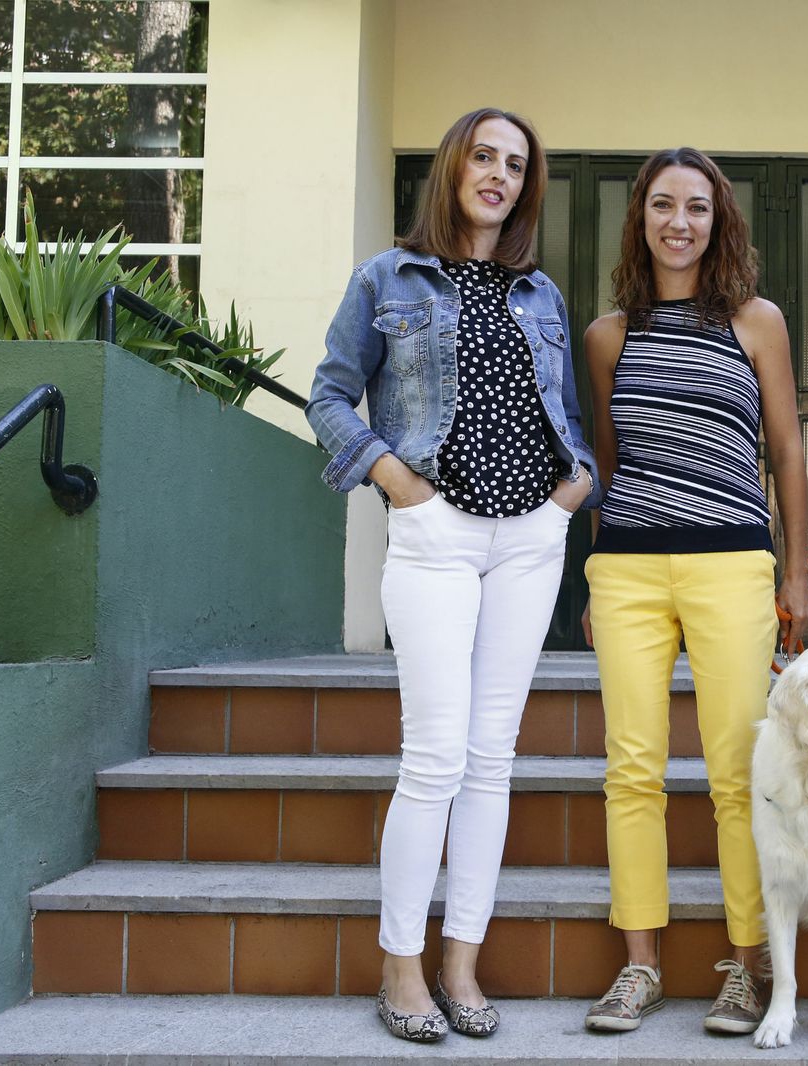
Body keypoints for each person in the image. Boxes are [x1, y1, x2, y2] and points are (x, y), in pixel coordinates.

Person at [306, 107, 597, 1043]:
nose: (500, 176)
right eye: (485, 156)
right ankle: (401, 969)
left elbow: (565, 419)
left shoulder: (541, 293)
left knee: (492, 760)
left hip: (528, 539)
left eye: (516, 165)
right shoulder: (388, 277)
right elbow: (328, 394)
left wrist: (572, 492)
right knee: (432, 758)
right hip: (435, 534)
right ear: (453, 167)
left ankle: (461, 965)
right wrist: (398, 483)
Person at [578, 147, 808, 1036]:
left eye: (699, 208)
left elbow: (786, 450)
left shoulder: (757, 321)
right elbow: (609, 463)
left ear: (721, 223)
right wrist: (599, 576)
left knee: (734, 773)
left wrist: (795, 570)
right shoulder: (610, 334)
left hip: (732, 564)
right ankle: (639, 968)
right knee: (631, 769)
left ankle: (745, 968)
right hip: (631, 566)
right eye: (664, 206)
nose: (680, 223)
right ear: (640, 218)